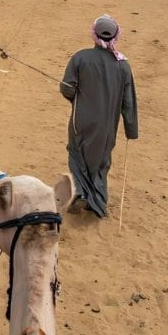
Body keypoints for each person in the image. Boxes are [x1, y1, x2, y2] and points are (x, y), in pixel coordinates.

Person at [59, 15, 139, 217]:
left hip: (80, 121)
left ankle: (80, 194)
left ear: (94, 35)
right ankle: (97, 203)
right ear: (116, 36)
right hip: (106, 126)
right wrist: (131, 129)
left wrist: (77, 98)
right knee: (101, 160)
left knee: (77, 155)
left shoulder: (80, 57)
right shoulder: (123, 66)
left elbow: (67, 87)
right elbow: (128, 101)